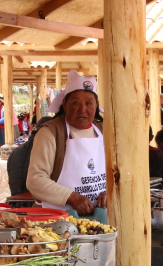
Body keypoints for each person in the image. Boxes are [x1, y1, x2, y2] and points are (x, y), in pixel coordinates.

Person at [27, 70, 107, 218]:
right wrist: (72, 197)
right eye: (75, 103)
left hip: (101, 216)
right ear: (64, 104)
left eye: (88, 103)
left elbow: (119, 171)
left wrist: (110, 192)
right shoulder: (50, 133)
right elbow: (35, 180)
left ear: (96, 105)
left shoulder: (104, 131)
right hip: (58, 218)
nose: (82, 109)